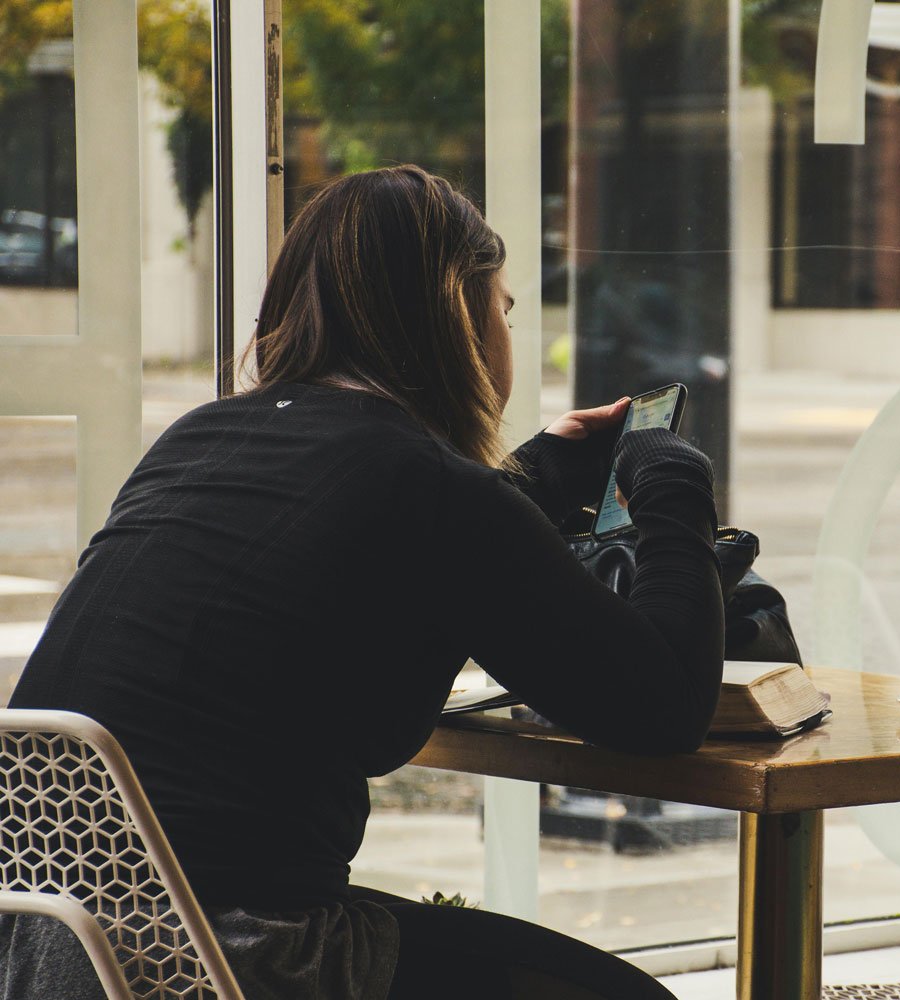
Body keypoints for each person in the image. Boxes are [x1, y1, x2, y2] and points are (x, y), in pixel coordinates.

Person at [1, 165, 724, 1000]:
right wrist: (671, 480)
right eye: (504, 305)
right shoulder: (431, 491)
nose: (506, 327)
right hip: (222, 960)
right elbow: (666, 705)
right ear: (461, 309)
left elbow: (365, 531)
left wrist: (541, 470)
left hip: (43, 943)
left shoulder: (201, 438)